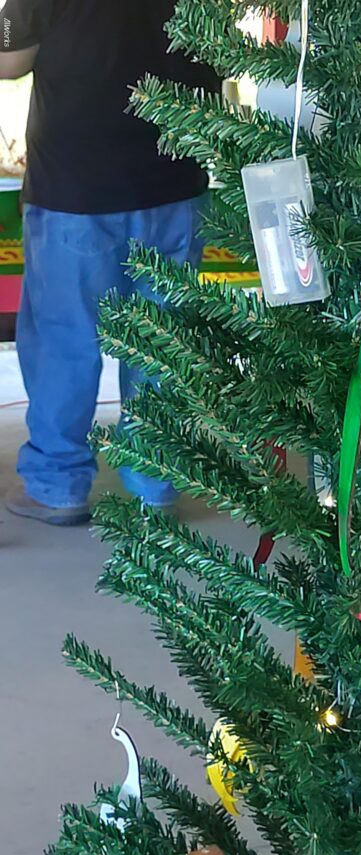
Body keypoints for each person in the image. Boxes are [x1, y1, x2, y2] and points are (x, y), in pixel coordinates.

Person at [0, 1, 220, 525]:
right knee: (161, 340)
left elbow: (7, 60)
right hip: (174, 184)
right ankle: (154, 480)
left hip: (76, 192)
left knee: (63, 338)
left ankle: (58, 485)